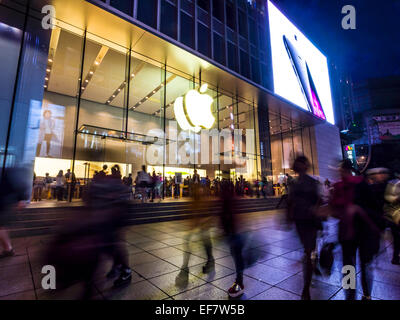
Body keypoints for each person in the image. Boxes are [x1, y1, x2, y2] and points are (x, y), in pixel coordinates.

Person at [330, 160, 383, 300]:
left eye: (341, 170)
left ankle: (354, 294)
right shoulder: (343, 185)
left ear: (346, 170)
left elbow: (372, 206)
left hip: (355, 231)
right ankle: (363, 294)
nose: (339, 172)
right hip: (355, 231)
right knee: (359, 264)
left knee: (351, 264)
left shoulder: (355, 184)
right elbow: (374, 206)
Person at [287, 156, 322, 300]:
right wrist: (288, 217)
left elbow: (318, 201)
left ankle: (306, 288)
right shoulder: (294, 183)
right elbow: (290, 201)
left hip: (310, 220)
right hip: (300, 220)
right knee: (308, 250)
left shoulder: (312, 182)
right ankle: (313, 264)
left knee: (308, 251)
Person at [0, 167, 29, 258]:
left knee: (1, 227)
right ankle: (8, 249)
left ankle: (8, 249)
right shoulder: (10, 171)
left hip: (5, 203)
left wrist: (21, 199)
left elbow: (20, 185)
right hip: (6, 202)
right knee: (2, 227)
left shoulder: (10, 171)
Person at [384, 172, 400, 265]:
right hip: (395, 216)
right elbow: (389, 198)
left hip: (395, 216)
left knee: (397, 238)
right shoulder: (393, 184)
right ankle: (395, 258)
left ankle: (395, 257)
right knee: (397, 238)